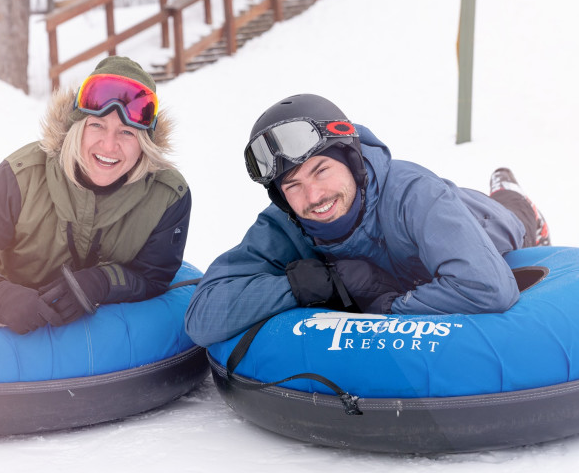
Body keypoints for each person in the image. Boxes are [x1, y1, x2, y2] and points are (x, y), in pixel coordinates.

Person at [184, 93, 549, 347]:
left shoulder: (414, 194)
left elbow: (488, 288)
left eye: (321, 170)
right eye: (293, 185)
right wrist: (302, 287)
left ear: (351, 160)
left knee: (510, 216)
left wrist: (386, 304)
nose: (314, 197)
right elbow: (202, 317)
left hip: (478, 218)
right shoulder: (284, 224)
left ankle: (514, 196)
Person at [0, 56, 191, 334]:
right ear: (77, 128)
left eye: (127, 132)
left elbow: (154, 276)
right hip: (9, 332)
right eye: (97, 125)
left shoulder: (167, 197)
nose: (109, 145)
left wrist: (101, 282)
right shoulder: (21, 177)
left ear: (145, 143)